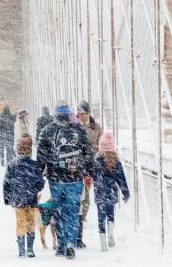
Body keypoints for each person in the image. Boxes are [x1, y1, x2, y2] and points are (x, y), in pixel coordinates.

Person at [37, 102, 94, 259]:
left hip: (55, 178)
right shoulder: (79, 131)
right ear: (70, 115)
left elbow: (41, 156)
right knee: (73, 212)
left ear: (55, 114)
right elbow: (88, 153)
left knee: (59, 210)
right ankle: (71, 243)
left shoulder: (47, 130)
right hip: (75, 178)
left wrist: (38, 173)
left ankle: (61, 245)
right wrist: (89, 172)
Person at [3, 134, 45, 258]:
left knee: (20, 223)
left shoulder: (12, 165)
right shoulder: (34, 165)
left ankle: (21, 250)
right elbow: (40, 182)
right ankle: (30, 249)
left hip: (17, 198)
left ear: (17, 149)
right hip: (31, 198)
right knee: (31, 222)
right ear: (30, 150)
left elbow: (6, 182)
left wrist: (7, 198)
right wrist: (34, 190)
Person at [92, 131, 129, 251]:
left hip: (99, 191)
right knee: (110, 214)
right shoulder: (115, 162)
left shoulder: (96, 161)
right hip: (111, 191)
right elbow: (121, 178)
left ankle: (103, 242)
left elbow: (92, 174)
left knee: (101, 216)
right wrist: (126, 193)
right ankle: (111, 234)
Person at [76, 100, 103, 248]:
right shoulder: (73, 126)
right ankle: (77, 218)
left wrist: (95, 158)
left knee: (86, 194)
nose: (82, 116)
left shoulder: (96, 128)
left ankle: (82, 217)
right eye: (80, 113)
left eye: (85, 113)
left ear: (89, 113)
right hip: (75, 165)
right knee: (77, 194)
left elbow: (101, 145)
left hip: (89, 165)